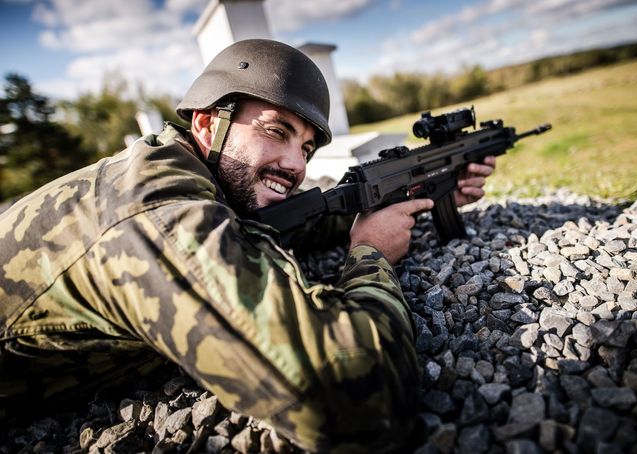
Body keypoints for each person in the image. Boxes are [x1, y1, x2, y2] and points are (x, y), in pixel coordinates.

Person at [0, 39, 495, 451]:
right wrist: (370, 256)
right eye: (276, 130)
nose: (295, 165)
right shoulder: (160, 214)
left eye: (304, 147)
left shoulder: (190, 170)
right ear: (206, 123)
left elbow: (282, 221)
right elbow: (351, 401)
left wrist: (413, 191)